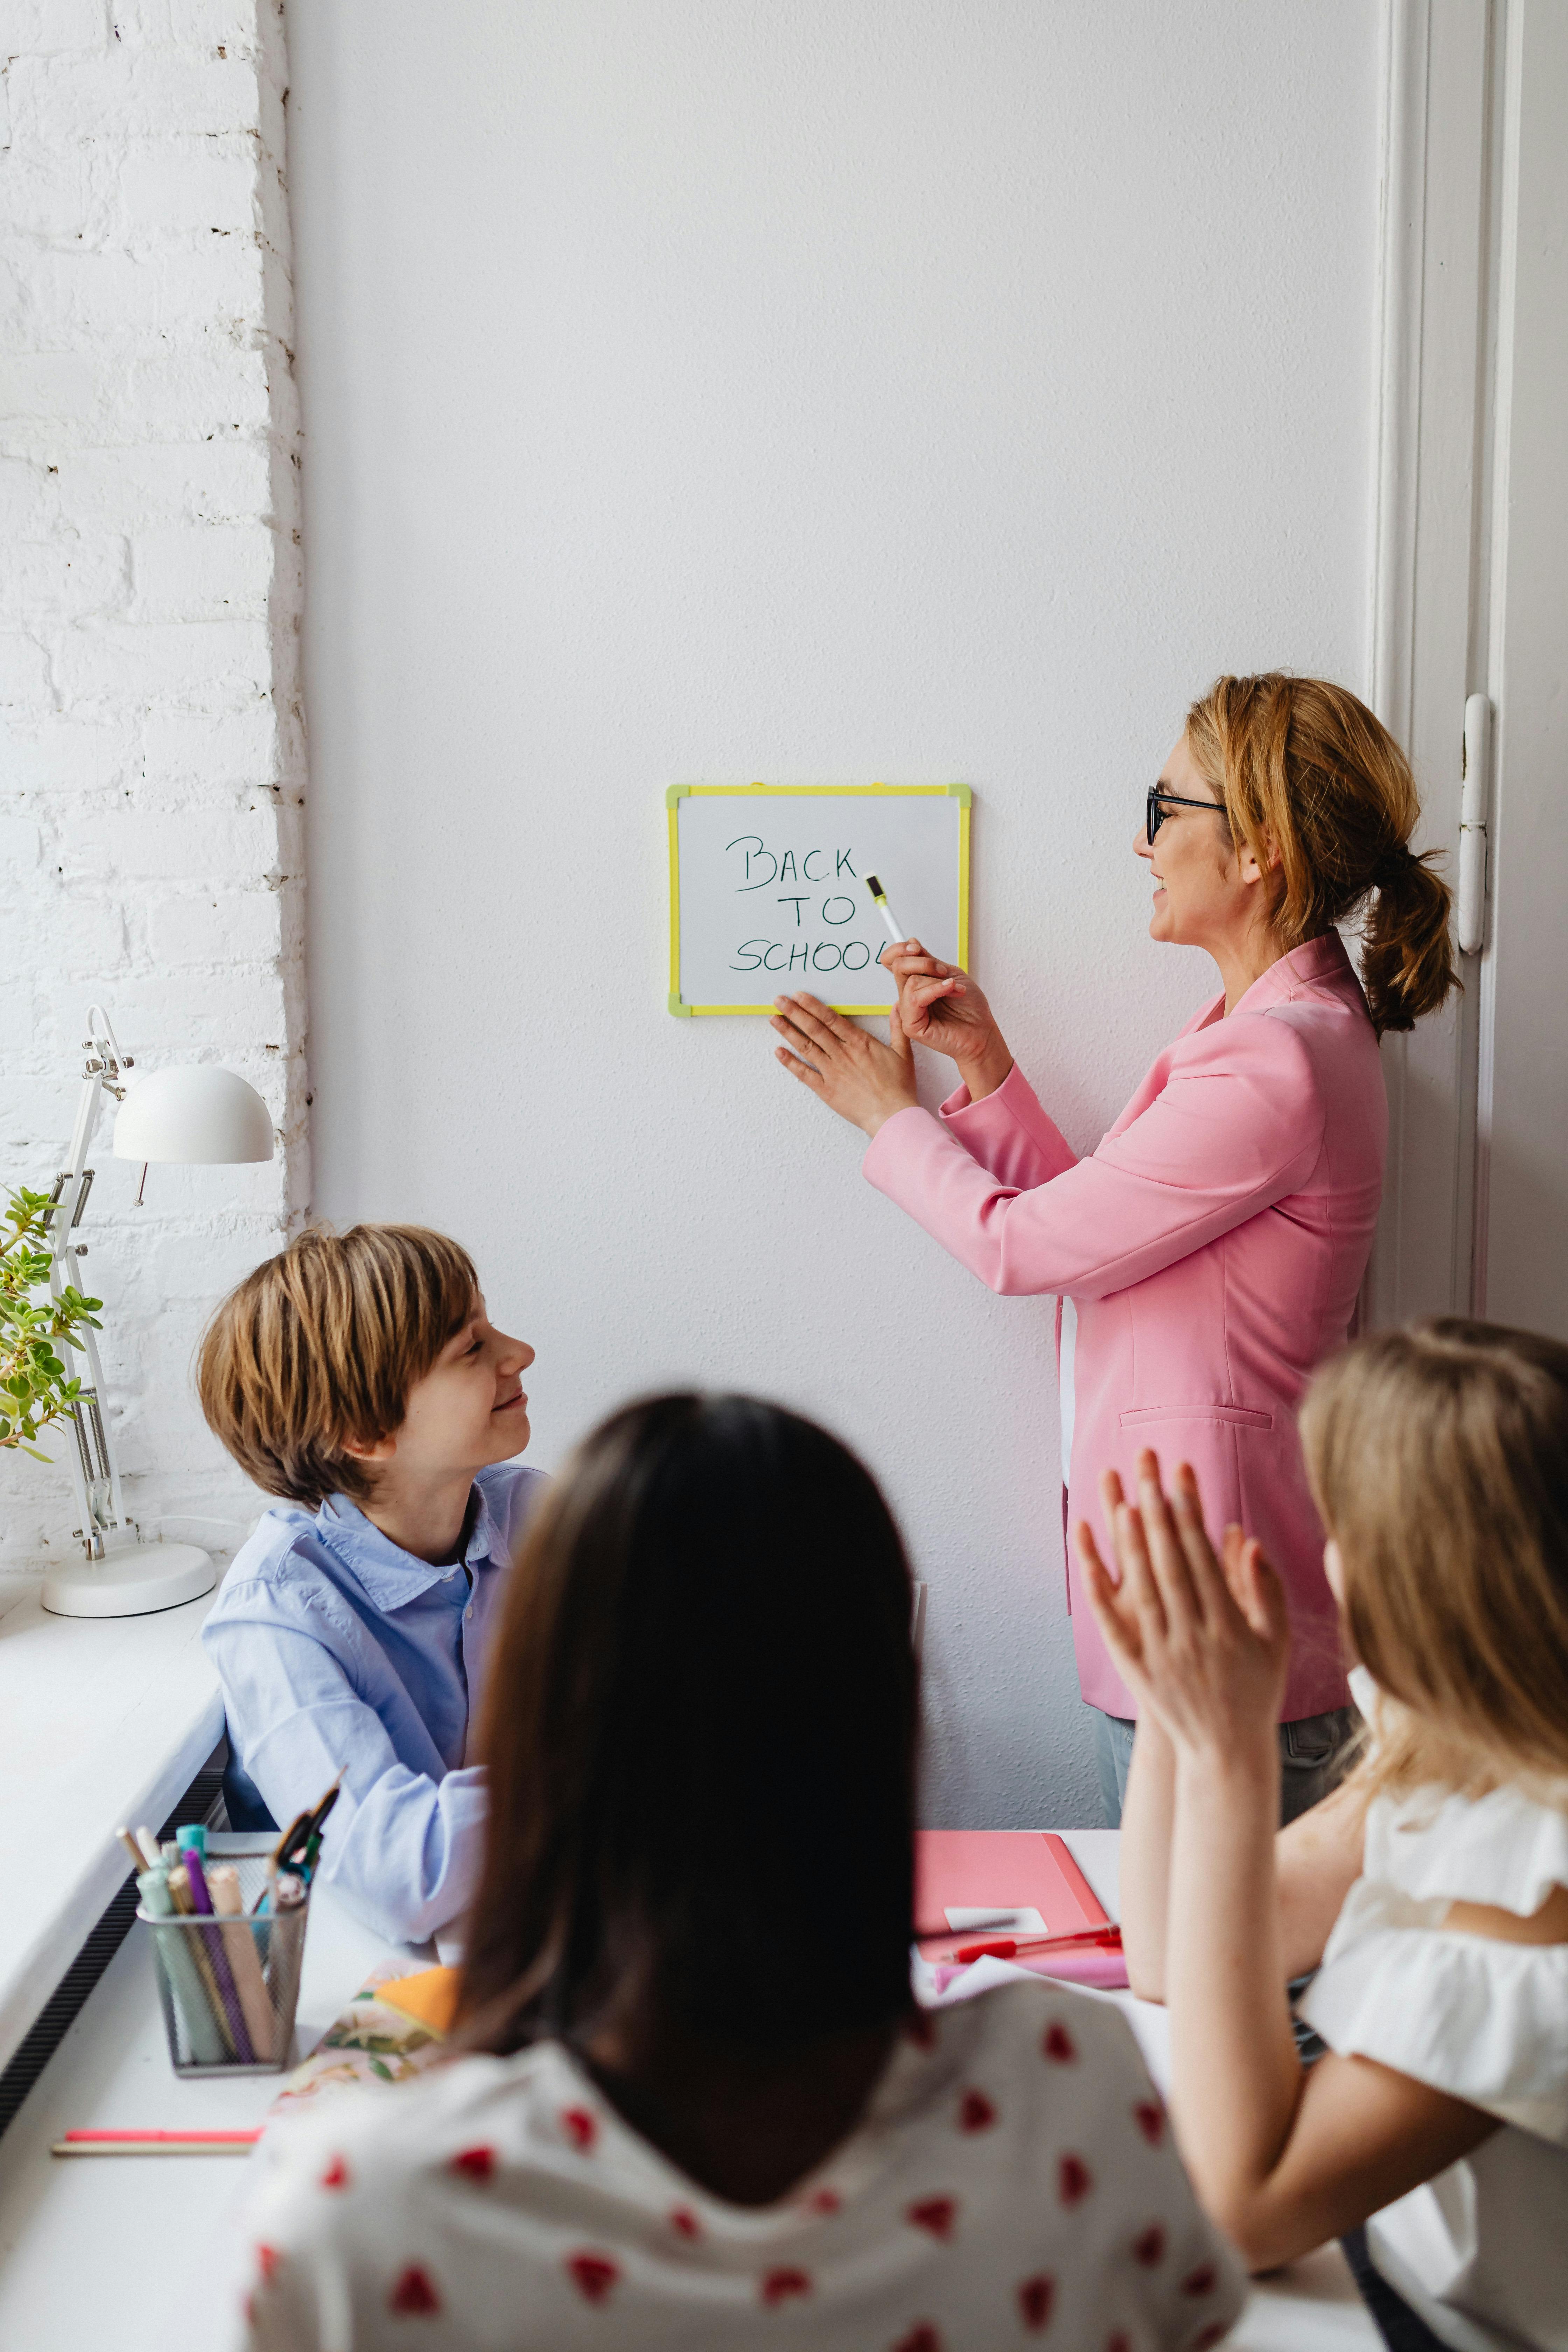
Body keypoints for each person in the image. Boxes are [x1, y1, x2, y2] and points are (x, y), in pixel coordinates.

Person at [236, 1393, 1244, 2352]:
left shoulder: (358, 2217)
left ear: (544, 1724)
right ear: (883, 1708)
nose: (516, 1357)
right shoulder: (1071, 2087)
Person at [769, 673, 1459, 1824]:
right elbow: (1107, 1239)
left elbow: (1026, 1248)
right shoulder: (1265, 1035)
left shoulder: (1274, 1062)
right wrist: (985, 1072)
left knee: (1216, 1986)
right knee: (1207, 1977)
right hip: (1209, 1604)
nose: (1140, 840)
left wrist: (883, 1114)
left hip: (1220, 1613)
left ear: (1259, 855)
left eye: (1165, 807)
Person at [1078, 1320, 1568, 2352]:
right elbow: (1167, 1954)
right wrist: (1178, 1698)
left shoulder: (1540, 1881)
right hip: (1383, 2284)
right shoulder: (1457, 1754)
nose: (1327, 1559)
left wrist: (1230, 1759)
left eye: (1341, 1526)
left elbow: (1242, 2209)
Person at [198, 1224, 544, 1944]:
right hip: (356, 1975)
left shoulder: (539, 1517)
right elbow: (395, 1875)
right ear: (364, 1429)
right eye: (472, 1347)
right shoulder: (275, 1614)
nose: (520, 1354)